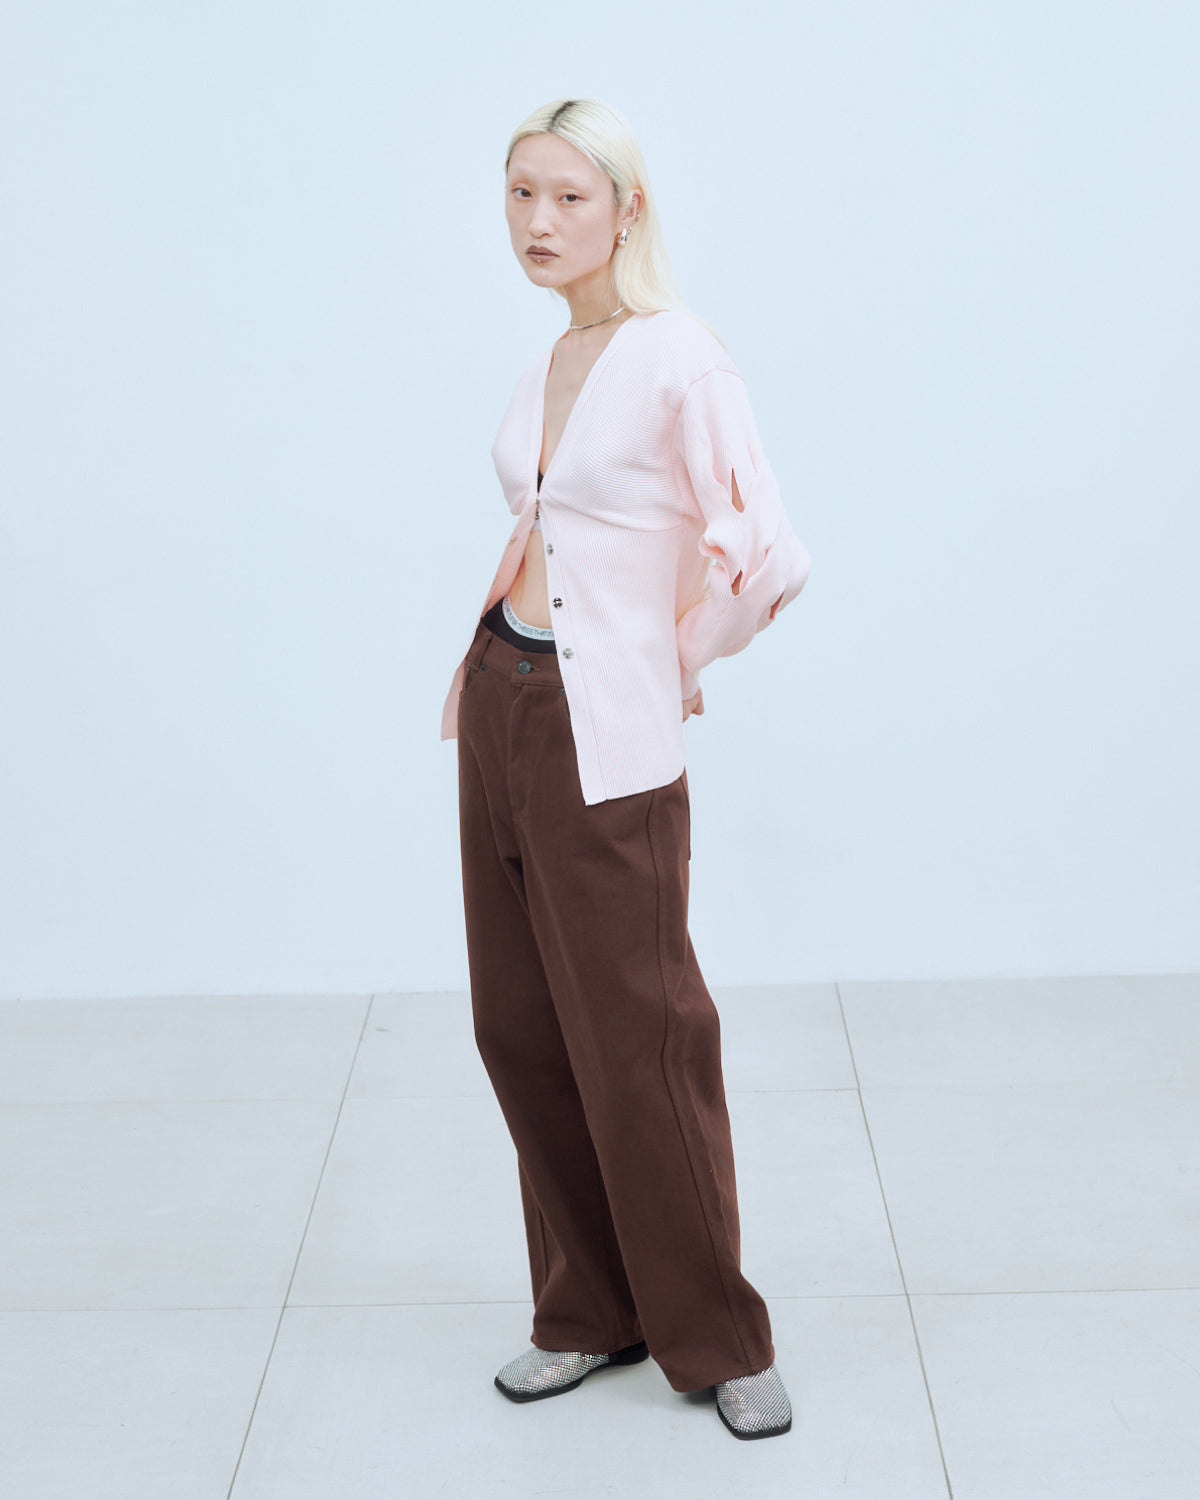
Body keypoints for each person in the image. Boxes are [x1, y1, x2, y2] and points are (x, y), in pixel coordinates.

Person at [440, 97, 811, 1440]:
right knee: (522, 1026)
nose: (538, 223)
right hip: (502, 694)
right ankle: (589, 1310)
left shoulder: (677, 356)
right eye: (520, 195)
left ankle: (718, 1335)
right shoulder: (561, 350)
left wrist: (670, 660)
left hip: (603, 731)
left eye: (568, 198)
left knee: (642, 1037)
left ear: (627, 210)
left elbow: (768, 557)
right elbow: (549, 521)